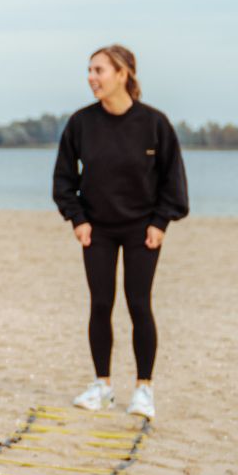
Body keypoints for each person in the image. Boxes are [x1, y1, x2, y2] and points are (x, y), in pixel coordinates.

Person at [52, 43, 188, 421]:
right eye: (90, 70)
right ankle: (103, 386)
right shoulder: (81, 123)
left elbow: (173, 180)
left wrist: (160, 222)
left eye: (99, 70)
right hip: (97, 230)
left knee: (139, 304)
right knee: (100, 304)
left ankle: (144, 389)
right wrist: (77, 219)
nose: (91, 78)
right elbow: (64, 180)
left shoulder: (154, 124)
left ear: (123, 74)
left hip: (142, 230)